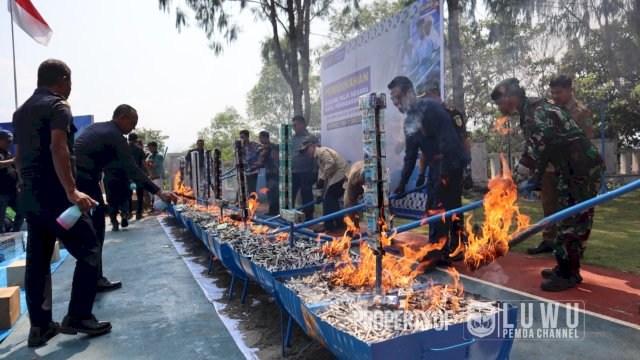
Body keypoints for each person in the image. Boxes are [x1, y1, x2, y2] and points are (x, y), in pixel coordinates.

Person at [13, 59, 110, 346]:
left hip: (30, 195)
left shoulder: (20, 112)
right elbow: (58, 147)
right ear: (63, 79)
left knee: (38, 262)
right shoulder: (58, 106)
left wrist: (26, 187)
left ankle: (40, 328)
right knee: (90, 249)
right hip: (57, 197)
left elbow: (18, 158)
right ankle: (79, 316)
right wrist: (72, 191)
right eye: (70, 82)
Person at [490, 78, 604, 291]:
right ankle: (567, 267)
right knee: (565, 219)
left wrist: (511, 183)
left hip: (580, 170)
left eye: (500, 103)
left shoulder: (536, 114)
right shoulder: (532, 111)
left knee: (572, 221)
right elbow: (541, 155)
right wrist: (533, 180)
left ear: (511, 97)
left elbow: (533, 154)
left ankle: (568, 273)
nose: (500, 108)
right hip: (569, 169)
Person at [74, 104, 178, 292]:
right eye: (133, 122)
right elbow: (132, 169)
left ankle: (94, 277)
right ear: (121, 117)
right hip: (84, 180)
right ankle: (92, 281)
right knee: (95, 232)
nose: (134, 127)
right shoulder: (115, 136)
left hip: (79, 179)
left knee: (90, 229)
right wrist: (160, 192)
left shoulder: (97, 128)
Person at [388, 76, 470, 269]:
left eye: (398, 97)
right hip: (437, 166)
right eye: (393, 100)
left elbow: (447, 141)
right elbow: (410, 155)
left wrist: (445, 171)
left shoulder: (430, 108)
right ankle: (439, 251)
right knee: (434, 206)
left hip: (450, 164)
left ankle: (435, 253)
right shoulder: (409, 121)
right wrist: (403, 182)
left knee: (439, 207)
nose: (396, 103)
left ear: (410, 93)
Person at [527, 75, 596, 255]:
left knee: (569, 210)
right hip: (550, 168)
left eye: (559, 92)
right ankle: (548, 240)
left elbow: (586, 142)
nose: (555, 96)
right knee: (548, 205)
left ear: (570, 90)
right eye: (552, 92)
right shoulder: (549, 110)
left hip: (570, 170)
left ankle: (572, 248)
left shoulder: (581, 113)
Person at [415, 80, 471, 258]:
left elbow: (464, 141)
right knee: (434, 208)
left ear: (434, 93)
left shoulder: (452, 114)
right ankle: (438, 247)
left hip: (452, 169)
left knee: (453, 208)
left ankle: (457, 246)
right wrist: (422, 173)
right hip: (434, 170)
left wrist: (467, 168)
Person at [301, 140, 349, 232]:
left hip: (341, 174)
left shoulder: (321, 151)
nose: (306, 153)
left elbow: (330, 163)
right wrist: (320, 193)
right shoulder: (319, 158)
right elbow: (324, 176)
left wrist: (322, 179)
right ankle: (339, 223)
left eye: (307, 149)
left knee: (329, 198)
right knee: (331, 199)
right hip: (340, 174)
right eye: (304, 151)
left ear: (313, 146)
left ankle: (328, 225)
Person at [291, 115, 320, 221]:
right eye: (293, 125)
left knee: (306, 195)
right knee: (291, 195)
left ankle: (308, 217)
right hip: (293, 172)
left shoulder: (311, 137)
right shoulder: (292, 138)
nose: (294, 127)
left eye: (296, 125)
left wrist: (314, 171)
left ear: (303, 124)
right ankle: (289, 215)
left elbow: (317, 155)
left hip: (307, 172)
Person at [0, 130, 24, 233]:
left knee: (22, 212)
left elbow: (16, 169)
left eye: (10, 141)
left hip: (13, 191)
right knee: (0, 220)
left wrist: (19, 185)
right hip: (1, 193)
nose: (9, 143)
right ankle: (2, 242)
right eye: (7, 141)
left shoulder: (8, 153)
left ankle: (14, 234)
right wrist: (14, 160)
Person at [253, 131, 279, 215]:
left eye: (260, 138)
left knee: (272, 192)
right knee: (271, 192)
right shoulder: (267, 147)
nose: (260, 140)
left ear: (265, 137)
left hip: (273, 173)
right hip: (270, 172)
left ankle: (273, 211)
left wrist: (259, 164)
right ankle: (274, 210)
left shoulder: (270, 147)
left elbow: (264, 160)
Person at [103, 167, 129, 231]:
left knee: (111, 202)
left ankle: (114, 222)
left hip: (108, 178)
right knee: (123, 198)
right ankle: (124, 214)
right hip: (121, 177)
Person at [127, 133, 146, 220]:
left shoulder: (123, 148)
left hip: (127, 176)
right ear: (136, 139)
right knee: (140, 194)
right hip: (138, 175)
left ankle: (129, 213)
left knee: (128, 195)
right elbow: (143, 163)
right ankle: (139, 213)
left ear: (128, 139)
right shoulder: (139, 150)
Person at [343, 160, 365, 230]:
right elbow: (350, 197)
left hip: (364, 182)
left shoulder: (374, 173)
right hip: (353, 184)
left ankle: (356, 226)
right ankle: (351, 227)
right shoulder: (352, 176)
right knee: (349, 205)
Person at [239, 130, 262, 196]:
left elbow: (262, 150)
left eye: (242, 137)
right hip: (243, 171)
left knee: (252, 190)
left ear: (248, 136)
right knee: (240, 189)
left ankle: (252, 206)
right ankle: (239, 205)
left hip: (253, 171)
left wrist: (259, 162)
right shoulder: (239, 147)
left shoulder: (255, 144)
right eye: (240, 137)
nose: (241, 139)